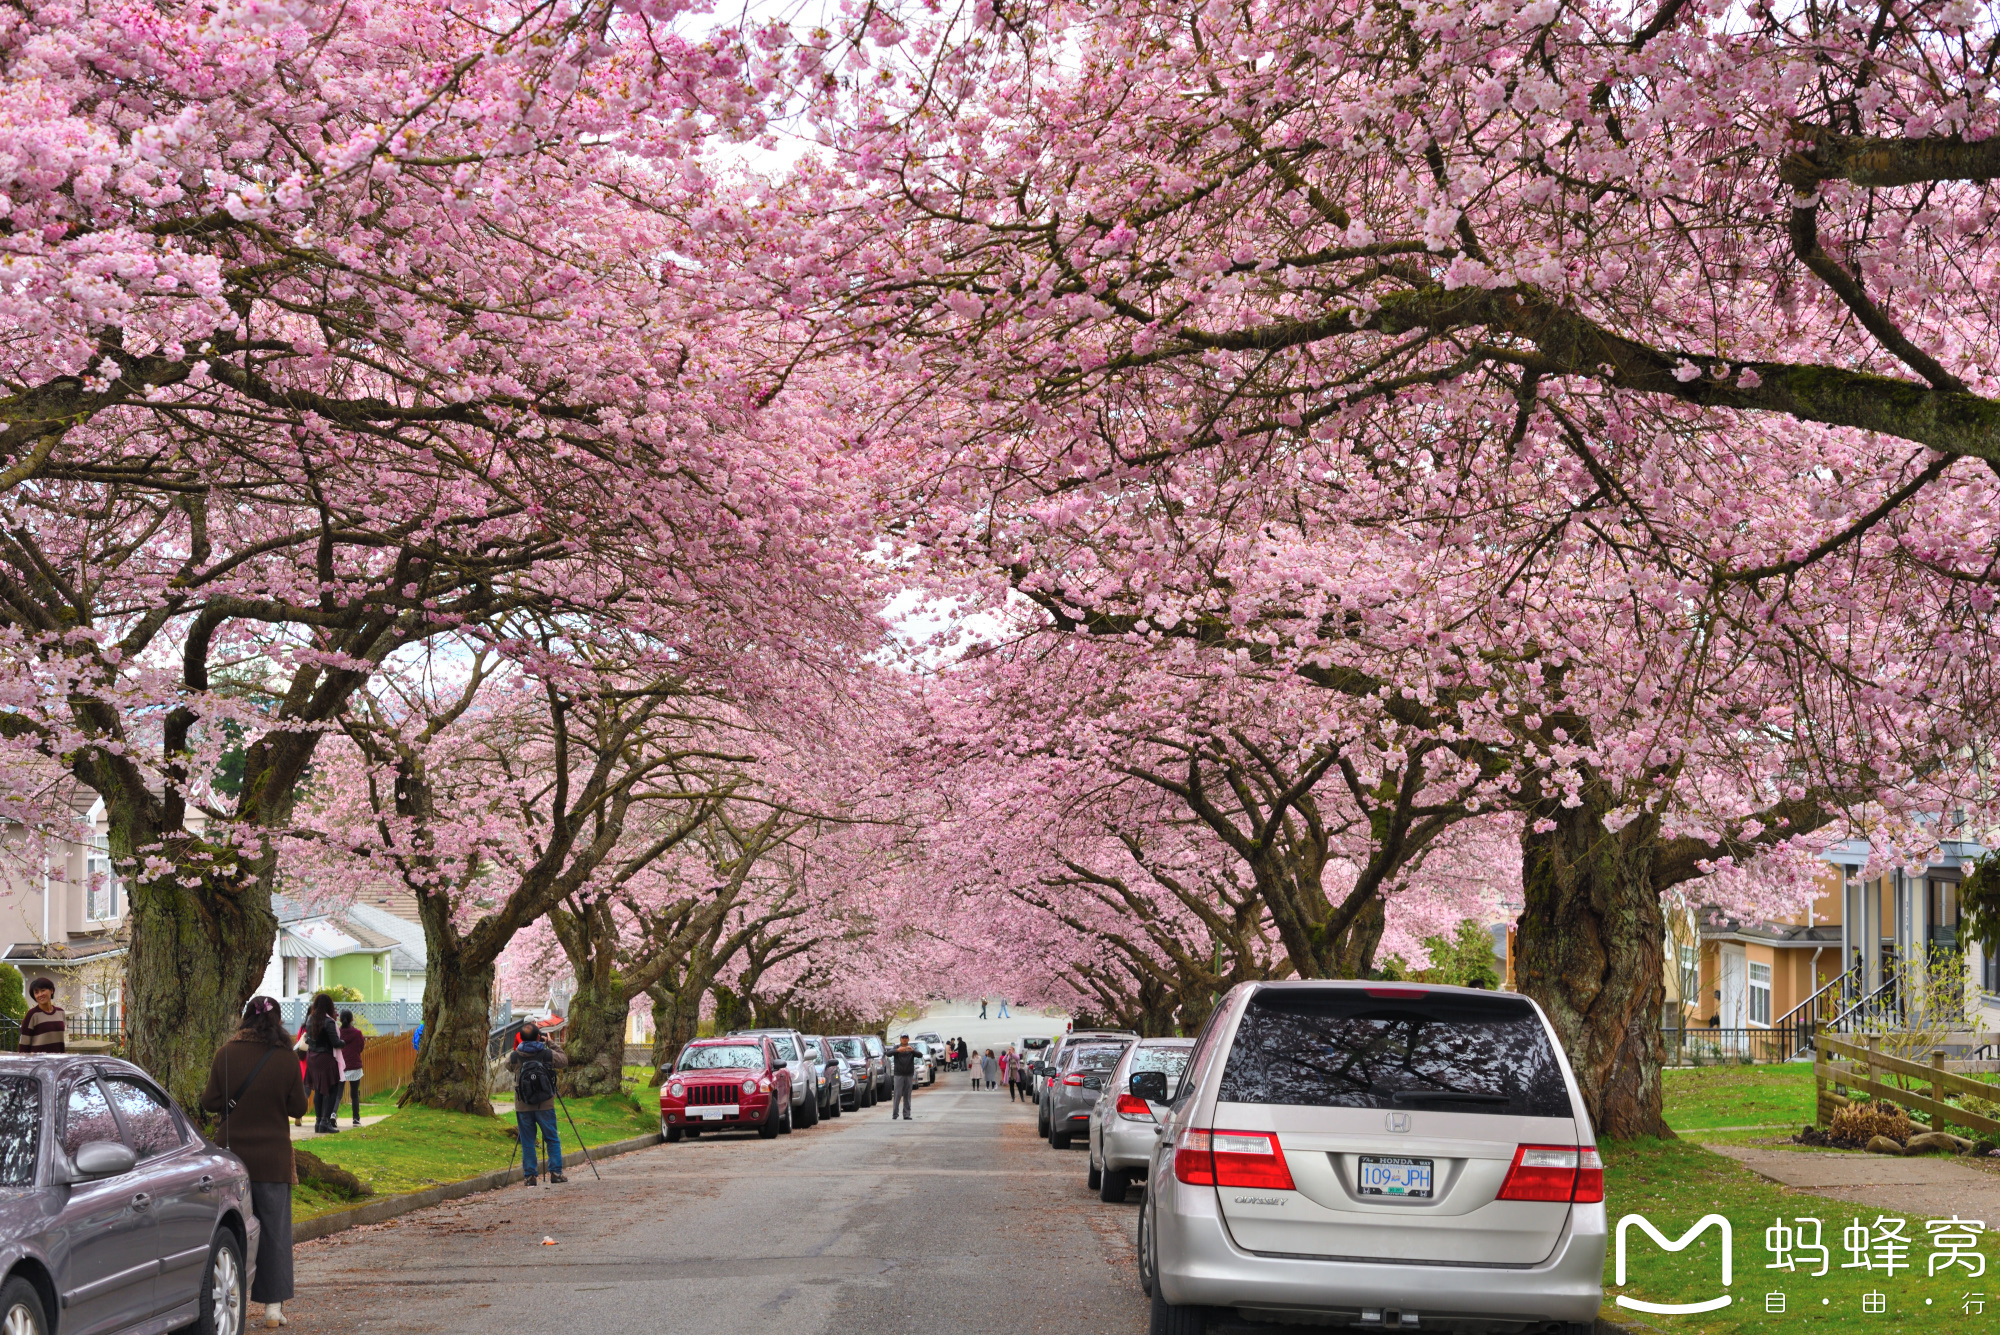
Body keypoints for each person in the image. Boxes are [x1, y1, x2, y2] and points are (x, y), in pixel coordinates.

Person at [201, 996, 309, 1329]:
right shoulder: (286, 1059)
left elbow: (210, 1102)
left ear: (245, 1019)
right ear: (277, 1022)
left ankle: (224, 1301)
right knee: (275, 1234)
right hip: (273, 1160)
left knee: (226, 1233)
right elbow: (299, 1109)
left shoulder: (225, 1055)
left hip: (231, 1161)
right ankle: (273, 1310)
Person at [508, 1022, 569, 1184]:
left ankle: (530, 1176)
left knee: (527, 1140)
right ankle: (555, 1173)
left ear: (521, 1037)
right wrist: (550, 1042)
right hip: (545, 1103)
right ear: (538, 1036)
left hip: (523, 1104)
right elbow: (563, 1060)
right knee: (551, 1138)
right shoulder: (547, 1054)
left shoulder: (515, 1056)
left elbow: (508, 1066)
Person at [302, 994, 343, 1134]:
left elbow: (308, 1039)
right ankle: (326, 1122)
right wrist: (344, 1042)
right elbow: (335, 1042)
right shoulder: (329, 1022)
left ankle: (318, 1122)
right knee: (332, 1089)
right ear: (329, 1006)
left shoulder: (310, 1020)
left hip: (312, 1057)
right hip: (325, 1057)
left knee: (318, 1090)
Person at [19, 978, 64, 1053]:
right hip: (39, 1063)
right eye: (36, 992)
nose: (40, 995)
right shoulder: (32, 1015)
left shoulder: (60, 1012)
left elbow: (63, 1042)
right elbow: (23, 1045)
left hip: (59, 1062)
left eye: (43, 990)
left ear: (51, 991)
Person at [337, 1010, 366, 1126]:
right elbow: (361, 1047)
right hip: (354, 1066)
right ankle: (356, 1118)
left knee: (338, 1094)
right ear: (352, 1019)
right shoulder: (357, 1033)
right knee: (354, 1094)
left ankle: (333, 1115)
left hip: (341, 1067)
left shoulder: (338, 1033)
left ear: (340, 1020)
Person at [889, 1033, 918, 1120]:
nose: (904, 1040)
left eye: (906, 1038)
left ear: (908, 1039)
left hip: (909, 1074)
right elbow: (888, 1053)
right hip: (899, 1074)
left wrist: (912, 1051)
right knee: (897, 1094)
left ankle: (907, 1114)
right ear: (900, 1039)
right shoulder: (896, 1048)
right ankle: (895, 1114)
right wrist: (898, 1050)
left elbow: (920, 1055)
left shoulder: (911, 1048)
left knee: (907, 1095)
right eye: (903, 1038)